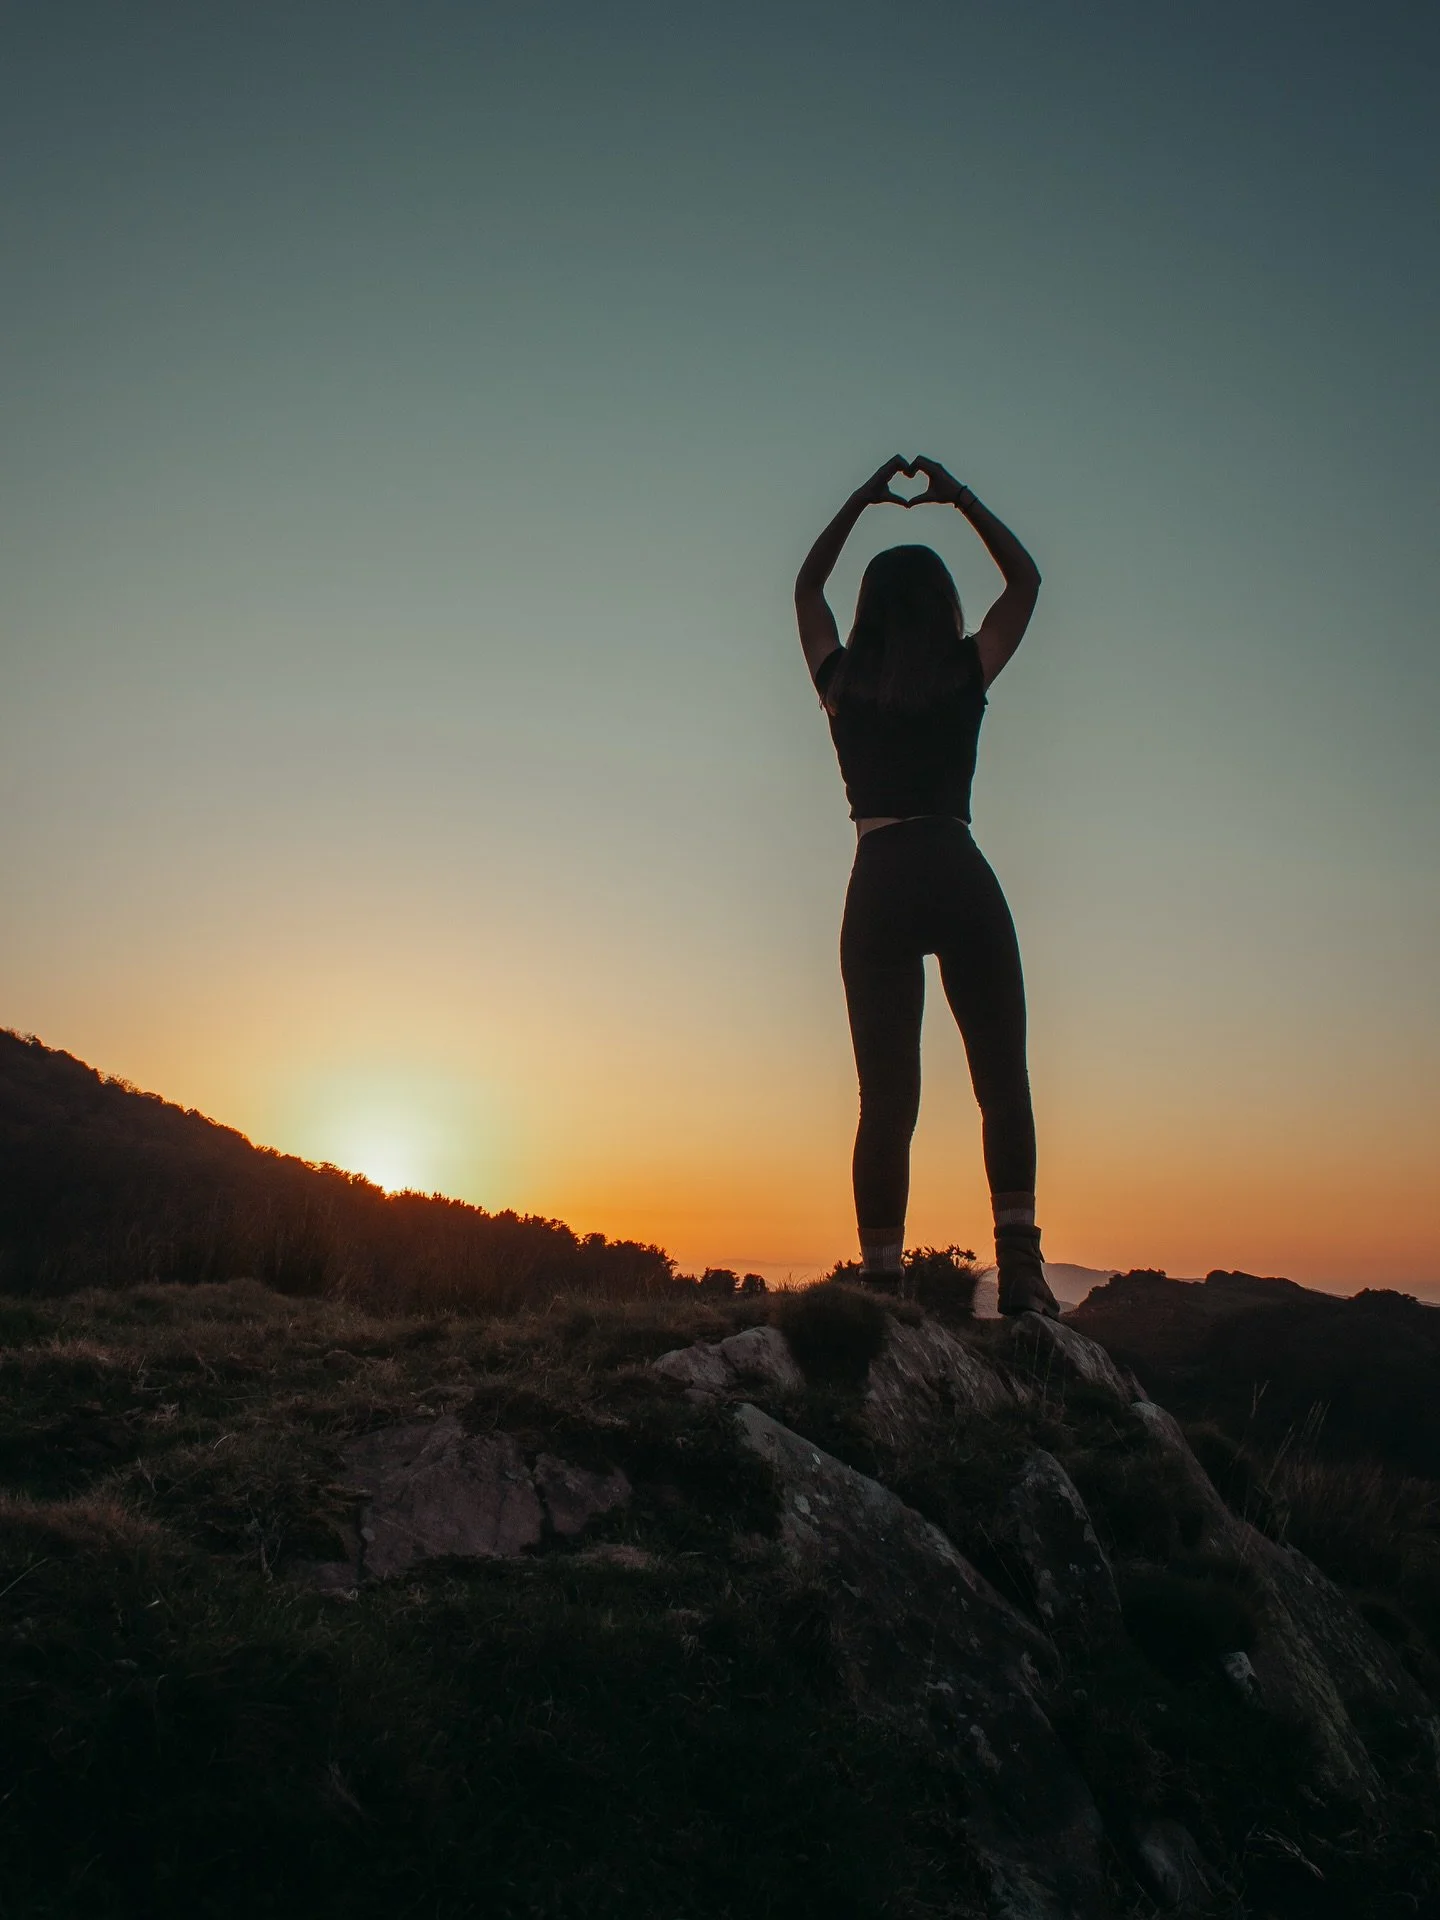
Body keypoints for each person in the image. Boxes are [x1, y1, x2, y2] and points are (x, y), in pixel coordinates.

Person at [794, 454, 1059, 1316]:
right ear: (945, 606)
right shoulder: (962, 672)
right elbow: (1025, 580)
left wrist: (860, 501)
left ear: (869, 612)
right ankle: (1019, 1268)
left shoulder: (843, 686)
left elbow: (806, 592)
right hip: (956, 867)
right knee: (1001, 1077)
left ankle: (882, 1282)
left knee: (886, 1098)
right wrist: (963, 500)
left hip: (878, 882)